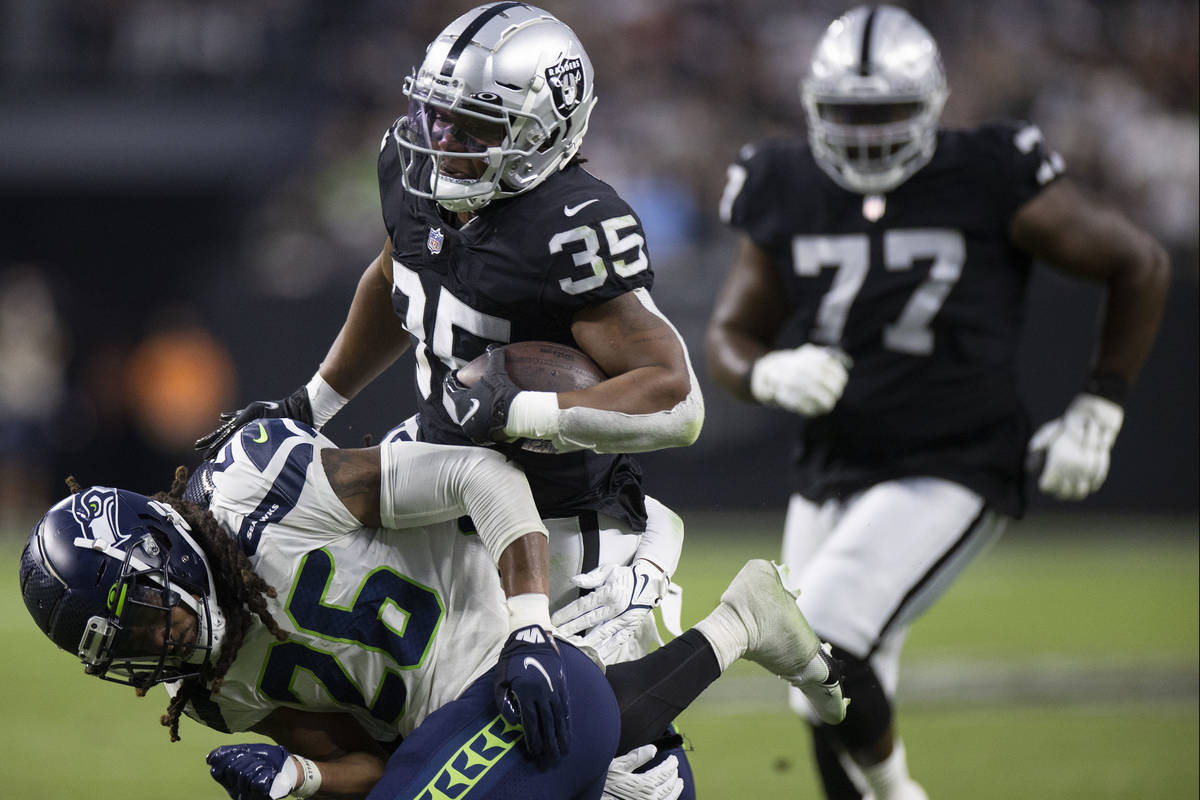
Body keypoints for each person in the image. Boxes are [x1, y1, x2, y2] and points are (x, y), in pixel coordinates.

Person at [194, 4, 705, 790]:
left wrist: (525, 411)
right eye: (435, 116)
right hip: (435, 470)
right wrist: (312, 405)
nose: (442, 143)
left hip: (555, 512)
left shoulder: (570, 227)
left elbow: (675, 397)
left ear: (547, 130)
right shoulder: (412, 174)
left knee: (583, 747)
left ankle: (719, 642)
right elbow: (393, 278)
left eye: (473, 126)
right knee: (394, 704)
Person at [706, 6, 1170, 800]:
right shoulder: (784, 179)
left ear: (931, 104)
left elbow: (1140, 262)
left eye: (885, 111)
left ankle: (899, 794)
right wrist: (766, 374)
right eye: (848, 113)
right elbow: (729, 333)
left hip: (952, 460)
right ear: (815, 106)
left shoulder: (989, 171)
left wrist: (1101, 405)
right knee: (815, 688)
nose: (865, 133)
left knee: (820, 641)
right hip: (833, 463)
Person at [21, 418, 847, 800]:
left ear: (162, 551)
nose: (153, 646)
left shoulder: (259, 487)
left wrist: (528, 627)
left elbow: (479, 478)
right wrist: (301, 778)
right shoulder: (209, 693)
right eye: (121, 648)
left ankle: (650, 613)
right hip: (463, 741)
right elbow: (374, 770)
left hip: (533, 627)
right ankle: (744, 620)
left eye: (143, 615)